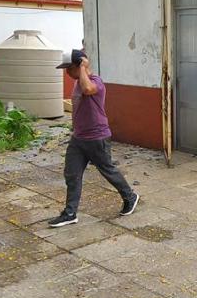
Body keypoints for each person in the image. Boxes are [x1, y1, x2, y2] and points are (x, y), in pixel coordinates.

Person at [47, 49, 138, 227]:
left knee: (108, 170)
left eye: (69, 68)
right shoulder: (77, 82)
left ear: (80, 65)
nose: (66, 72)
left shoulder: (96, 82)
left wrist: (83, 67)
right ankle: (70, 212)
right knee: (72, 174)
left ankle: (130, 196)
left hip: (97, 137)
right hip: (79, 139)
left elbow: (88, 89)